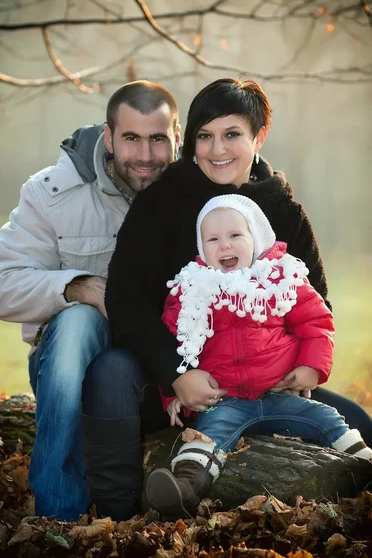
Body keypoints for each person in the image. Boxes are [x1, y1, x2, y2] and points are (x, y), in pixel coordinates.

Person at [83, 77, 372, 521]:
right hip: (176, 386)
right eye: (205, 136)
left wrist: (304, 367)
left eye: (232, 134)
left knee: (361, 428)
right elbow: (127, 301)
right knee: (109, 369)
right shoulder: (162, 202)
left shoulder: (283, 209)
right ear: (191, 140)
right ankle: (119, 517)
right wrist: (177, 374)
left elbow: (316, 303)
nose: (217, 150)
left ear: (259, 136)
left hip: (267, 383)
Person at [0, 80, 181, 521]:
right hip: (72, 366)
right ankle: (57, 512)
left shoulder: (195, 191)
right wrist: (80, 288)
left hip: (164, 368)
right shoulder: (53, 193)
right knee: (76, 323)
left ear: (177, 138)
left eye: (157, 140)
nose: (145, 157)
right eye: (131, 138)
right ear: (108, 137)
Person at [145, 194, 372, 519]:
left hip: (280, 393)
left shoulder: (279, 280)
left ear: (255, 239)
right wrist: (172, 392)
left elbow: (317, 322)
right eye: (213, 239)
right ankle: (183, 490)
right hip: (224, 401)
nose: (225, 245)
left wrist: (311, 367)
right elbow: (174, 344)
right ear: (201, 247)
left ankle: (366, 466)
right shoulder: (194, 288)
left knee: (327, 420)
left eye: (235, 236)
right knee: (206, 439)